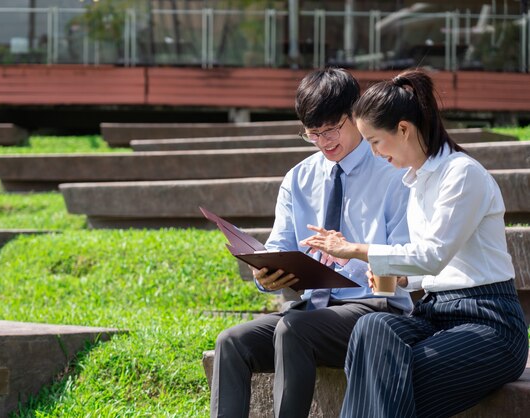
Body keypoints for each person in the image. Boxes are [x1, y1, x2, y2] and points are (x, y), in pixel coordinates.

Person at [301, 69, 528, 418]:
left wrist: (356, 249)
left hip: (489, 322)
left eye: (375, 141)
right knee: (372, 327)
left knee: (389, 380)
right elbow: (429, 271)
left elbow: (432, 256)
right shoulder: (416, 182)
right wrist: (400, 279)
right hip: (436, 313)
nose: (374, 153)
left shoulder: (462, 175)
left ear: (403, 129)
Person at [210, 68, 413, 418]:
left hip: (375, 310)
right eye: (313, 133)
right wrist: (265, 274)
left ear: (356, 114)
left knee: (294, 329)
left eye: (332, 129)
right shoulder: (299, 178)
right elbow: (278, 246)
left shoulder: (392, 173)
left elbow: (405, 259)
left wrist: (350, 253)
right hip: (311, 312)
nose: (324, 141)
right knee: (231, 342)